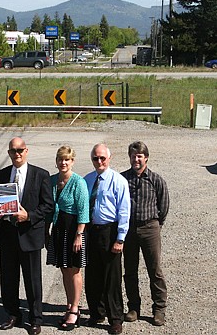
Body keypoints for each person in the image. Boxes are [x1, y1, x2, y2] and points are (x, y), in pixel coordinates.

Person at [0, 137, 53, 335]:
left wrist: (29, 216)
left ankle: (35, 318)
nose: (16, 154)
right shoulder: (3, 174)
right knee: (8, 277)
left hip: (30, 233)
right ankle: (13, 314)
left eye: (20, 150)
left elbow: (48, 205)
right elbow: (1, 201)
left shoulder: (41, 175)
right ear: (8, 153)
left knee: (33, 280)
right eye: (12, 151)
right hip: (8, 233)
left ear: (26, 151)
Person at [120, 141, 169, 326]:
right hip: (129, 230)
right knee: (130, 270)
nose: (136, 159)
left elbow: (163, 206)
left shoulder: (156, 180)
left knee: (154, 270)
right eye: (133, 156)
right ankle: (134, 307)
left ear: (146, 158)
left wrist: (156, 224)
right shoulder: (123, 178)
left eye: (139, 156)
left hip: (150, 229)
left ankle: (159, 309)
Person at [84, 143, 130, 335]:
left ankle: (115, 318)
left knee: (111, 278)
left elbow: (124, 211)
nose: (99, 161)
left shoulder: (118, 181)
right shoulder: (87, 179)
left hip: (109, 231)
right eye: (96, 158)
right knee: (92, 275)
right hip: (91, 231)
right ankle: (97, 312)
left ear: (109, 158)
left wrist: (120, 239)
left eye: (103, 158)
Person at [45, 146, 89, 331]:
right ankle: (69, 304)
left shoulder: (78, 182)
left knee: (75, 270)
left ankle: (75, 308)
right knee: (64, 269)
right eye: (60, 159)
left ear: (72, 161)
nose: (63, 163)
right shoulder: (52, 180)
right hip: (59, 228)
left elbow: (83, 210)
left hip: (74, 230)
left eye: (67, 160)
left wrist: (79, 235)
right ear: (56, 161)